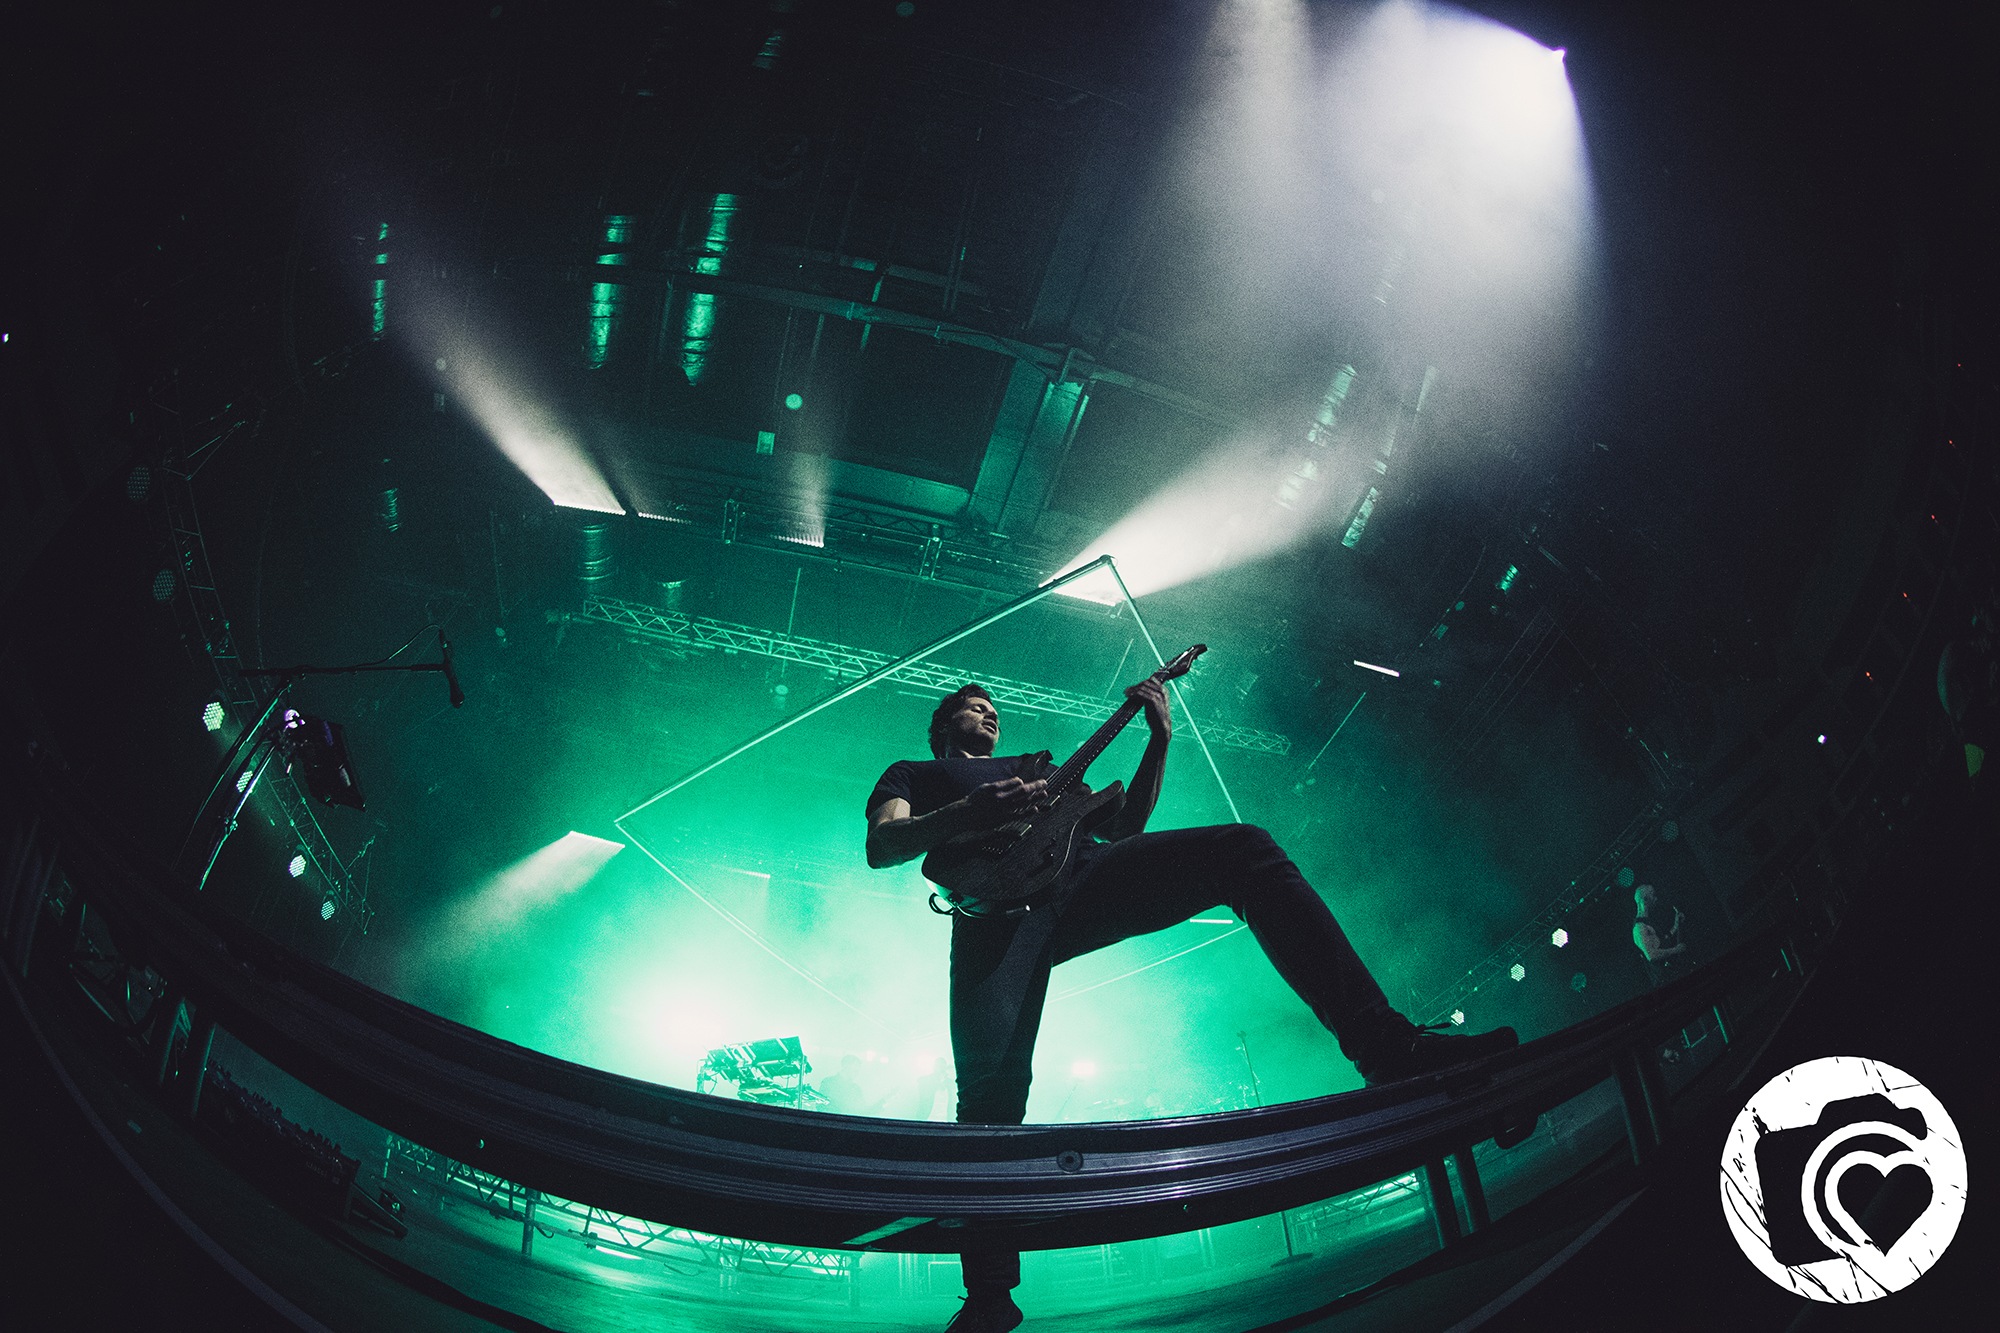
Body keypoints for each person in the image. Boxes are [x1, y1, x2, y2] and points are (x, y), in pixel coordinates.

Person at [865, 680, 1520, 1333]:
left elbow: (1124, 826)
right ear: (943, 725)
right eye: (973, 706)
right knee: (989, 1099)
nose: (989, 712)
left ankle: (1388, 1050)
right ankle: (988, 1296)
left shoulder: (1037, 769)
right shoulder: (914, 772)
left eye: (994, 708)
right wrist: (964, 811)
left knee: (1245, 849)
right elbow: (883, 844)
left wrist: (1160, 737)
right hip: (990, 916)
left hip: (1083, 879)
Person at [1631, 882, 1686, 982]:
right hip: (1663, 980)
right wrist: (1676, 950)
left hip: (1670, 974)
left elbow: (1662, 941)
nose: (1656, 899)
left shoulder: (1648, 922)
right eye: (1653, 895)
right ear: (1645, 899)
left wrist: (1676, 925)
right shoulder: (1639, 927)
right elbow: (1651, 955)